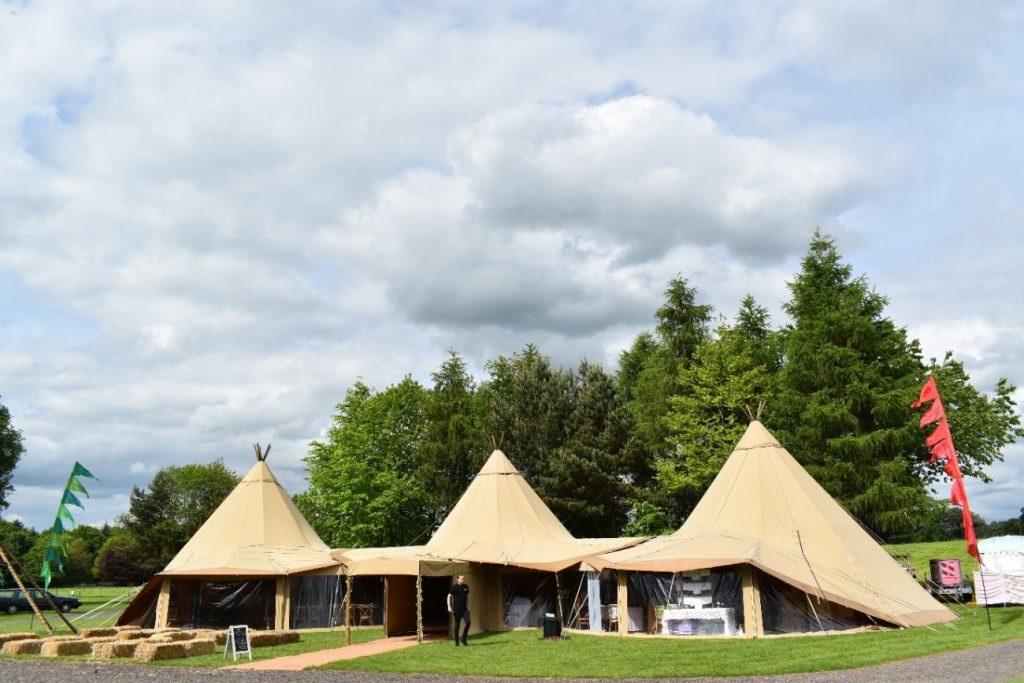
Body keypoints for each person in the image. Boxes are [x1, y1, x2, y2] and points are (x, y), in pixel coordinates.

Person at [447, 574, 470, 646]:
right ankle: (457, 642)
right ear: (458, 579)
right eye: (461, 579)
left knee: (468, 622)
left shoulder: (466, 587)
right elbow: (449, 596)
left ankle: (463, 638)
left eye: (463, 579)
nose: (463, 580)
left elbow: (468, 597)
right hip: (456, 610)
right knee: (457, 626)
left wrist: (469, 606)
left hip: (464, 609)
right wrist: (449, 606)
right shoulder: (454, 587)